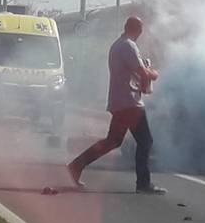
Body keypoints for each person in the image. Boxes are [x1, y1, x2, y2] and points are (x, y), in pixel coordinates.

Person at [67, 16, 166, 194]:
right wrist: (154, 73)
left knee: (112, 141)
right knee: (145, 141)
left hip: (120, 101)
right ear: (138, 30)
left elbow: (133, 71)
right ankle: (143, 183)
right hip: (130, 102)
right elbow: (142, 73)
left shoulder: (118, 45)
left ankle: (76, 165)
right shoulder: (128, 46)